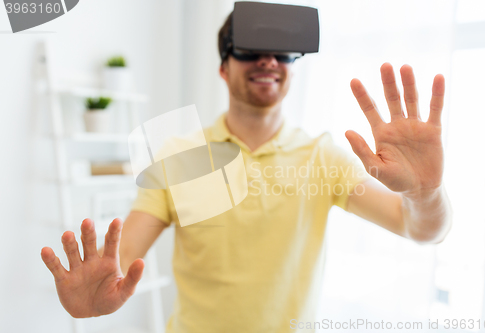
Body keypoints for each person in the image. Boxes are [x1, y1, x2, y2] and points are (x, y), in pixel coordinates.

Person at [41, 10, 452, 333]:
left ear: (293, 66)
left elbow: (420, 229)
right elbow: (125, 251)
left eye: (282, 51)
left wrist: (425, 193)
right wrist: (102, 285)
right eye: (249, 49)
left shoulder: (323, 157)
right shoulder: (180, 153)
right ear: (223, 67)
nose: (267, 60)